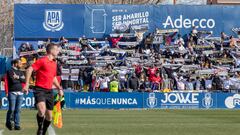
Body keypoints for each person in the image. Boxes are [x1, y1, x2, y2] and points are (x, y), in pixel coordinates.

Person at [23, 43, 64, 135]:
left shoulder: (54, 63)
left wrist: (59, 88)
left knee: (49, 117)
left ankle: (43, 132)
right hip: (39, 89)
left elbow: (53, 77)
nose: (58, 51)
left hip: (49, 91)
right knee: (41, 110)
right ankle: (40, 129)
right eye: (57, 49)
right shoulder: (42, 60)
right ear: (51, 50)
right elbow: (29, 70)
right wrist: (26, 84)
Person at [5, 59, 25, 130]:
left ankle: (17, 124)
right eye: (20, 63)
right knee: (12, 109)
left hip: (20, 92)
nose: (21, 64)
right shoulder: (9, 71)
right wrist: (20, 79)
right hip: (12, 92)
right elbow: (13, 81)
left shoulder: (21, 72)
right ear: (15, 64)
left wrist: (18, 77)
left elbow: (24, 80)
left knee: (18, 110)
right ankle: (8, 122)